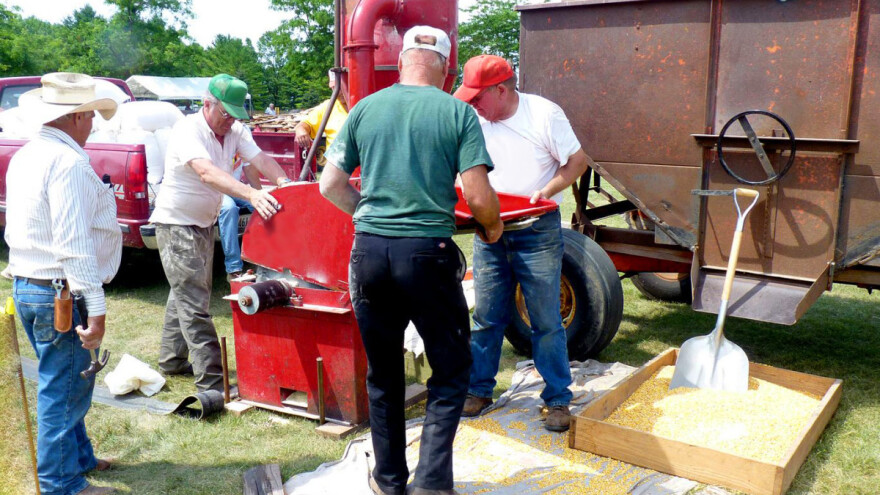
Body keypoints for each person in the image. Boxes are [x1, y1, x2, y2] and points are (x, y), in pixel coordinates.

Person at [320, 26, 503, 495]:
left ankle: (389, 481)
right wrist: (493, 226)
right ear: (444, 67)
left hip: (369, 254)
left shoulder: (363, 109)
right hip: (427, 254)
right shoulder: (458, 113)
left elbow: (329, 186)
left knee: (383, 376)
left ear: (401, 61)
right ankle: (431, 484)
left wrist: (368, 214)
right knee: (451, 369)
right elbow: (480, 197)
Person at [454, 55, 590, 432]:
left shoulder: (544, 114)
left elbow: (577, 162)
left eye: (478, 97)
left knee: (546, 318)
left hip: (536, 227)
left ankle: (558, 397)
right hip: (487, 227)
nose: (473, 104)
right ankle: (479, 389)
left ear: (501, 89)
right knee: (485, 315)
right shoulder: (475, 119)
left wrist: (546, 191)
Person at [6, 72, 122, 495]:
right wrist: (97, 307)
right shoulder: (68, 162)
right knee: (64, 387)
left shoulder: (27, 155)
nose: (93, 124)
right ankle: (61, 484)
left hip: (30, 284)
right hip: (58, 290)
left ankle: (79, 460)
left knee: (68, 379)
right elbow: (73, 243)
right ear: (76, 117)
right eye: (90, 115)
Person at [149, 73, 291, 392]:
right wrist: (251, 194)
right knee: (194, 300)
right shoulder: (188, 130)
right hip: (175, 223)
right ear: (207, 103)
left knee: (186, 291)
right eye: (225, 114)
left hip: (202, 222)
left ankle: (172, 360)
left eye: (235, 115)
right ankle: (212, 381)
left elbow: (261, 159)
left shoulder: (235, 129)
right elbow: (207, 172)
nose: (230, 122)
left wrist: (286, 185)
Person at [218, 154, 261, 282]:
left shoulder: (241, 136)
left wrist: (260, 194)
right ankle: (233, 269)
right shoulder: (212, 138)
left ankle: (262, 259)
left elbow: (250, 169)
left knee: (260, 206)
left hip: (234, 187)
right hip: (214, 189)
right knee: (229, 208)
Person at [294, 70, 349, 167]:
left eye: (340, 87)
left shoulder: (365, 104)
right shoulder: (328, 106)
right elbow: (305, 124)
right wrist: (301, 130)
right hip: (337, 167)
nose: (337, 92)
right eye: (333, 87)